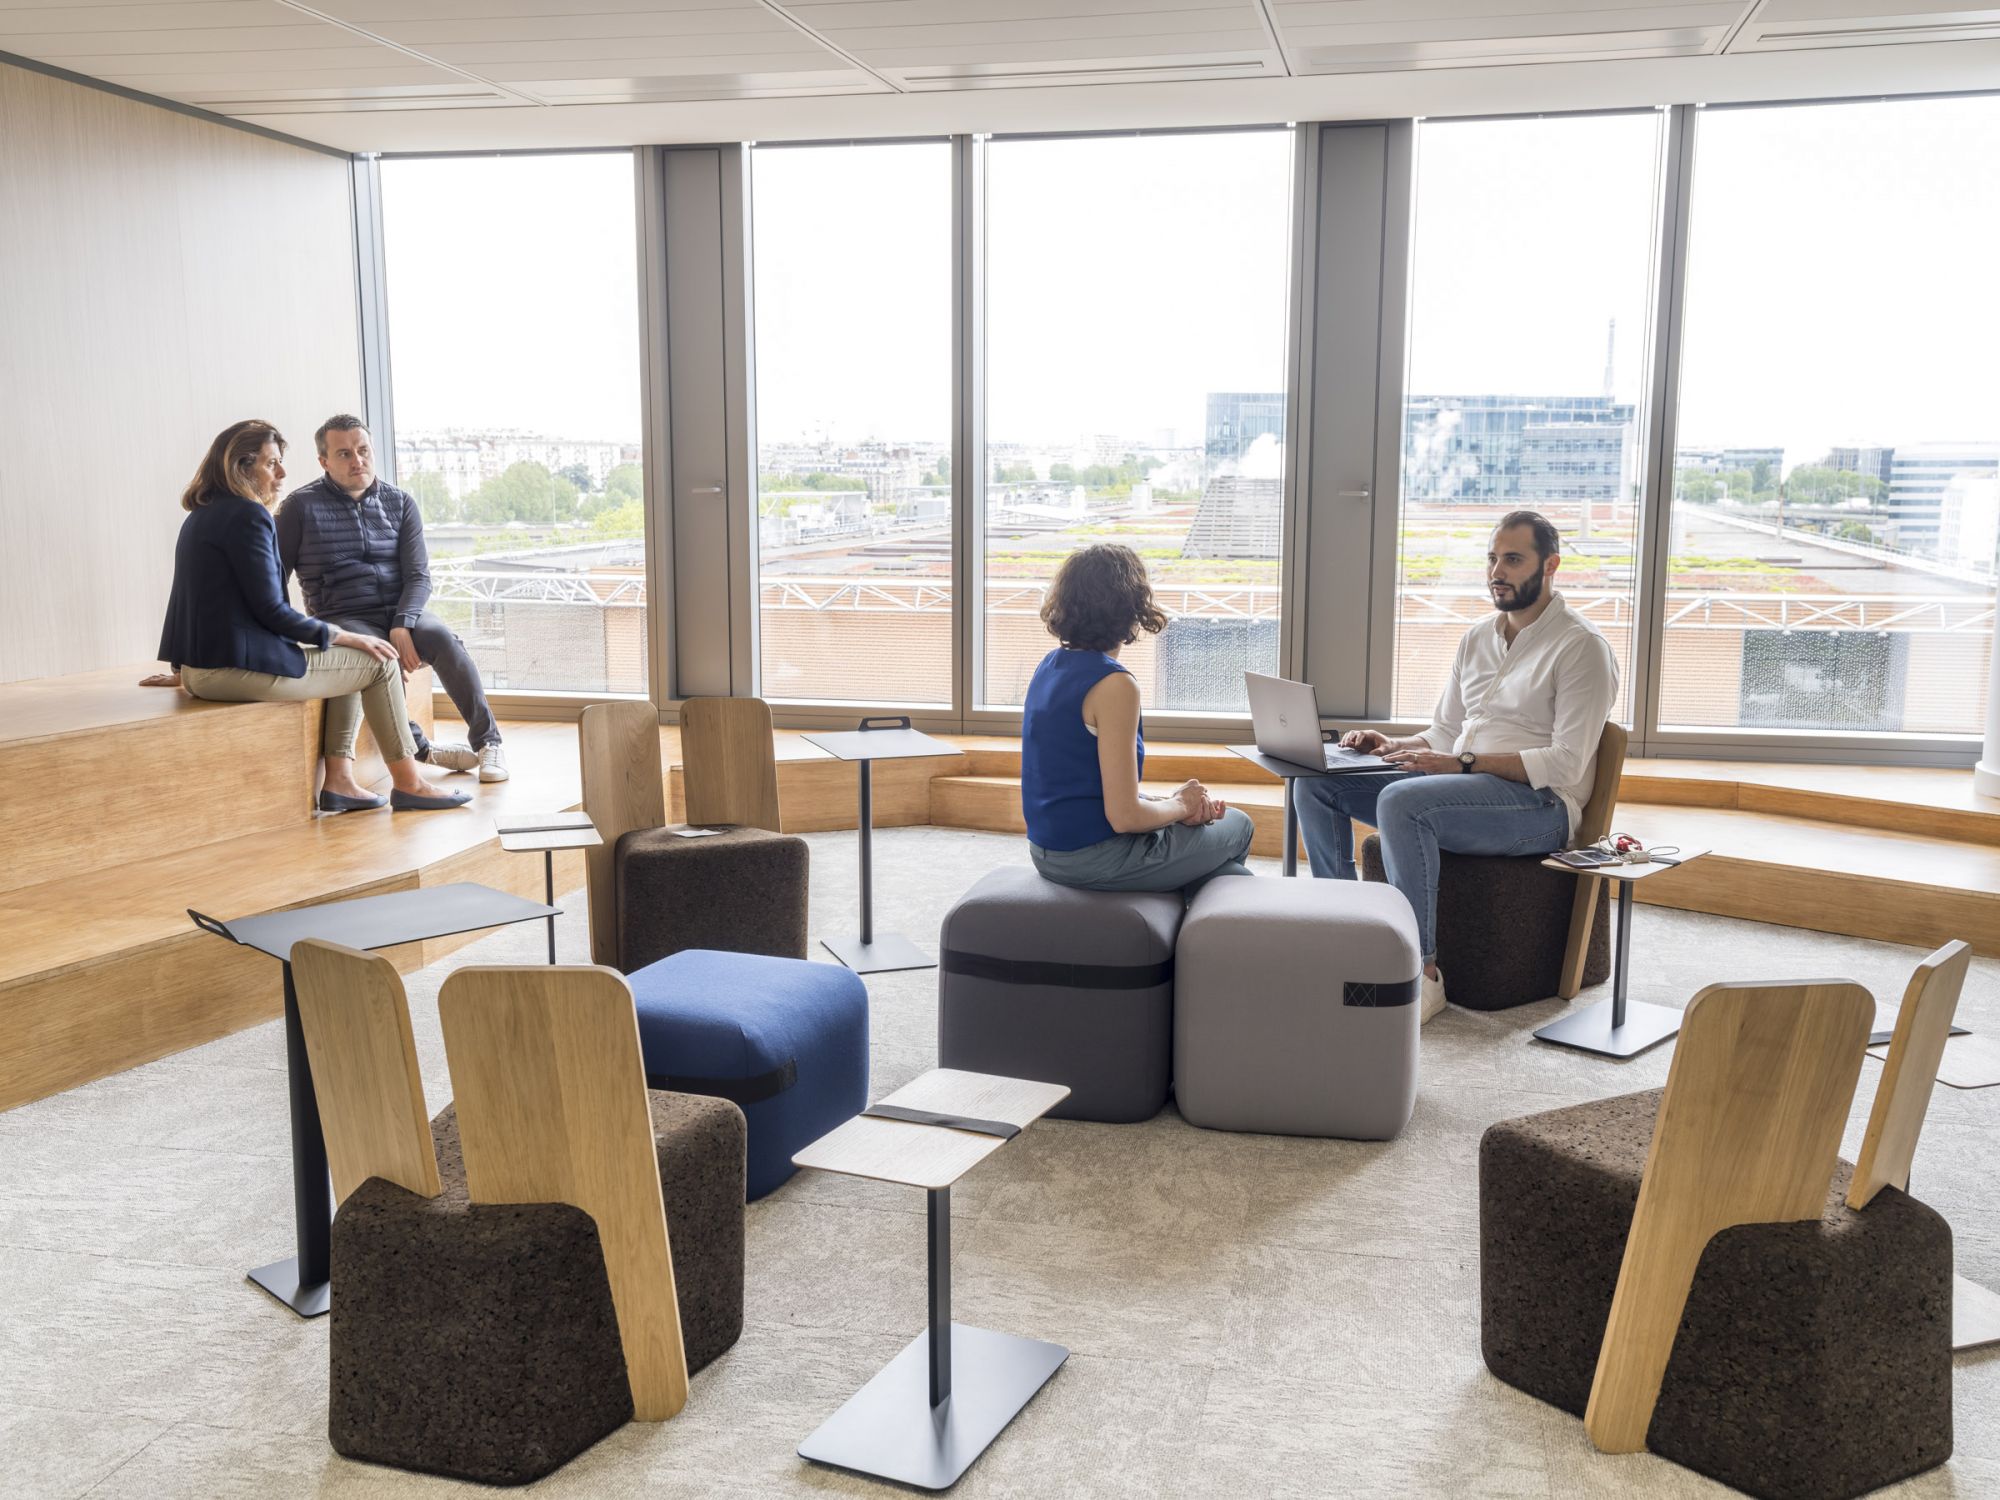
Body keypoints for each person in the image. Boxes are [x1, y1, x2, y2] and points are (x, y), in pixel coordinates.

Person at [1295, 510, 1618, 1021]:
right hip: (1462, 786)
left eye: (1513, 560)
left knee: (1402, 802)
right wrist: (1391, 745)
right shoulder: (1477, 637)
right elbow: (1445, 731)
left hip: (1539, 807)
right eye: (1492, 559)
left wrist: (1461, 763)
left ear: (1551, 565)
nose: (1497, 572)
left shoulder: (1581, 647)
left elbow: (1566, 763)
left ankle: (1420, 974)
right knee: (1315, 783)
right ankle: (1347, 935)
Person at [158, 419, 471, 813]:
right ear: (242, 467)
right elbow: (272, 611)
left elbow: (186, 604)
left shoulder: (202, 515)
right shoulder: (249, 516)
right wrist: (345, 635)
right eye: (272, 464)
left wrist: (181, 666)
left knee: (354, 659)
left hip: (201, 670)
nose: (282, 474)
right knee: (377, 662)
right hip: (233, 670)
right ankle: (410, 784)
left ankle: (340, 783)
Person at [275, 415, 508, 782]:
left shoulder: (400, 502)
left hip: (400, 611)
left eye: (363, 450)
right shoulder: (299, 508)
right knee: (377, 655)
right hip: (343, 615)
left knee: (444, 639)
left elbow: (418, 576)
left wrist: (403, 623)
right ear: (324, 461)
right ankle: (421, 748)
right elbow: (275, 577)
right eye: (344, 453)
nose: (358, 461)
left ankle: (488, 742)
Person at [1022, 543, 1254, 896]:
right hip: (1093, 858)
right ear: (1130, 606)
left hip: (1047, 851)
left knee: (1233, 875)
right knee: (1239, 825)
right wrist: (1182, 805)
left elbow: (1087, 788)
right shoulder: (1114, 685)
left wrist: (1169, 805)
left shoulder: (1049, 665)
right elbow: (1125, 817)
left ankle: (1191, 914)